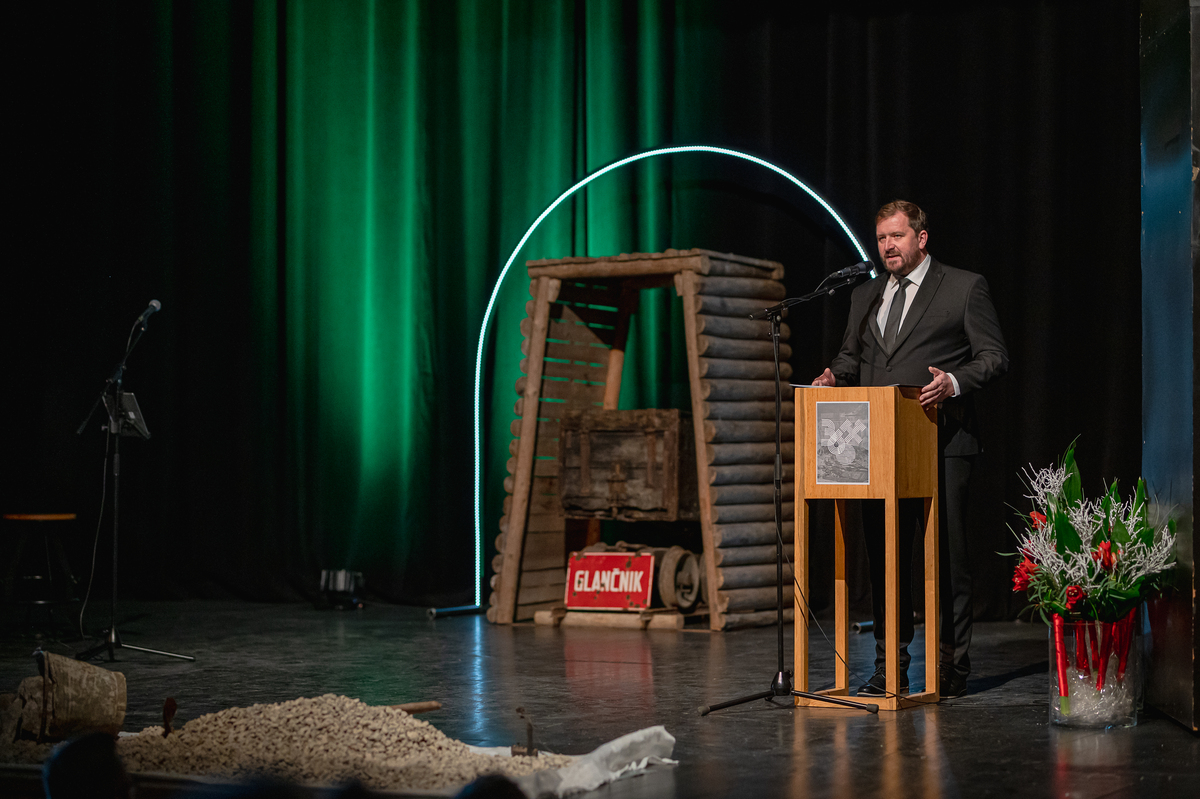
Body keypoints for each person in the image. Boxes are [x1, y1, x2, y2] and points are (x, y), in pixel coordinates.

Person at [812, 200, 1008, 698]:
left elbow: (994, 357)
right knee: (885, 559)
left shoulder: (963, 287)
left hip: (943, 442)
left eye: (896, 236)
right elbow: (851, 357)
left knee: (947, 559)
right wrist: (834, 376)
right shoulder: (865, 295)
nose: (887, 246)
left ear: (921, 238)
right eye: (881, 238)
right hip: (880, 449)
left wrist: (954, 382)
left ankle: (950, 665)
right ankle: (890, 667)